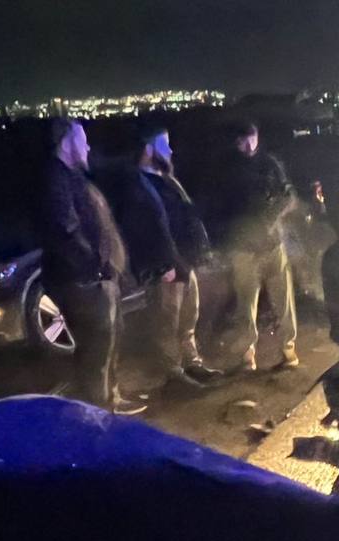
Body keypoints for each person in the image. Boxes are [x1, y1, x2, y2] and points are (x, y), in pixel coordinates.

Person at [39, 118, 145, 414]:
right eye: (82, 141)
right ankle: (98, 412)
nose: (87, 147)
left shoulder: (72, 177)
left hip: (93, 278)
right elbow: (67, 230)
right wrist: (96, 267)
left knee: (108, 339)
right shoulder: (56, 180)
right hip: (81, 281)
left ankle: (110, 399)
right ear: (66, 143)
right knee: (96, 347)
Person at [112, 126, 221, 389]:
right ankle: (173, 374)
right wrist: (162, 265)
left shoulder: (167, 180)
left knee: (188, 318)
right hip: (166, 268)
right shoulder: (138, 186)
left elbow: (185, 216)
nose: (170, 151)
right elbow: (141, 232)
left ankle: (192, 363)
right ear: (149, 150)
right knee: (167, 323)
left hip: (184, 262)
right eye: (165, 145)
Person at [212, 119, 299, 372]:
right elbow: (220, 208)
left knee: (284, 301)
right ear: (236, 141)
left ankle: (289, 351)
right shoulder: (227, 169)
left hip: (272, 244)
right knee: (246, 305)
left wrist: (272, 219)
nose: (250, 144)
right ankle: (247, 356)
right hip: (243, 248)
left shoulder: (269, 164)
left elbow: (288, 196)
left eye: (253, 137)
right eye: (244, 139)